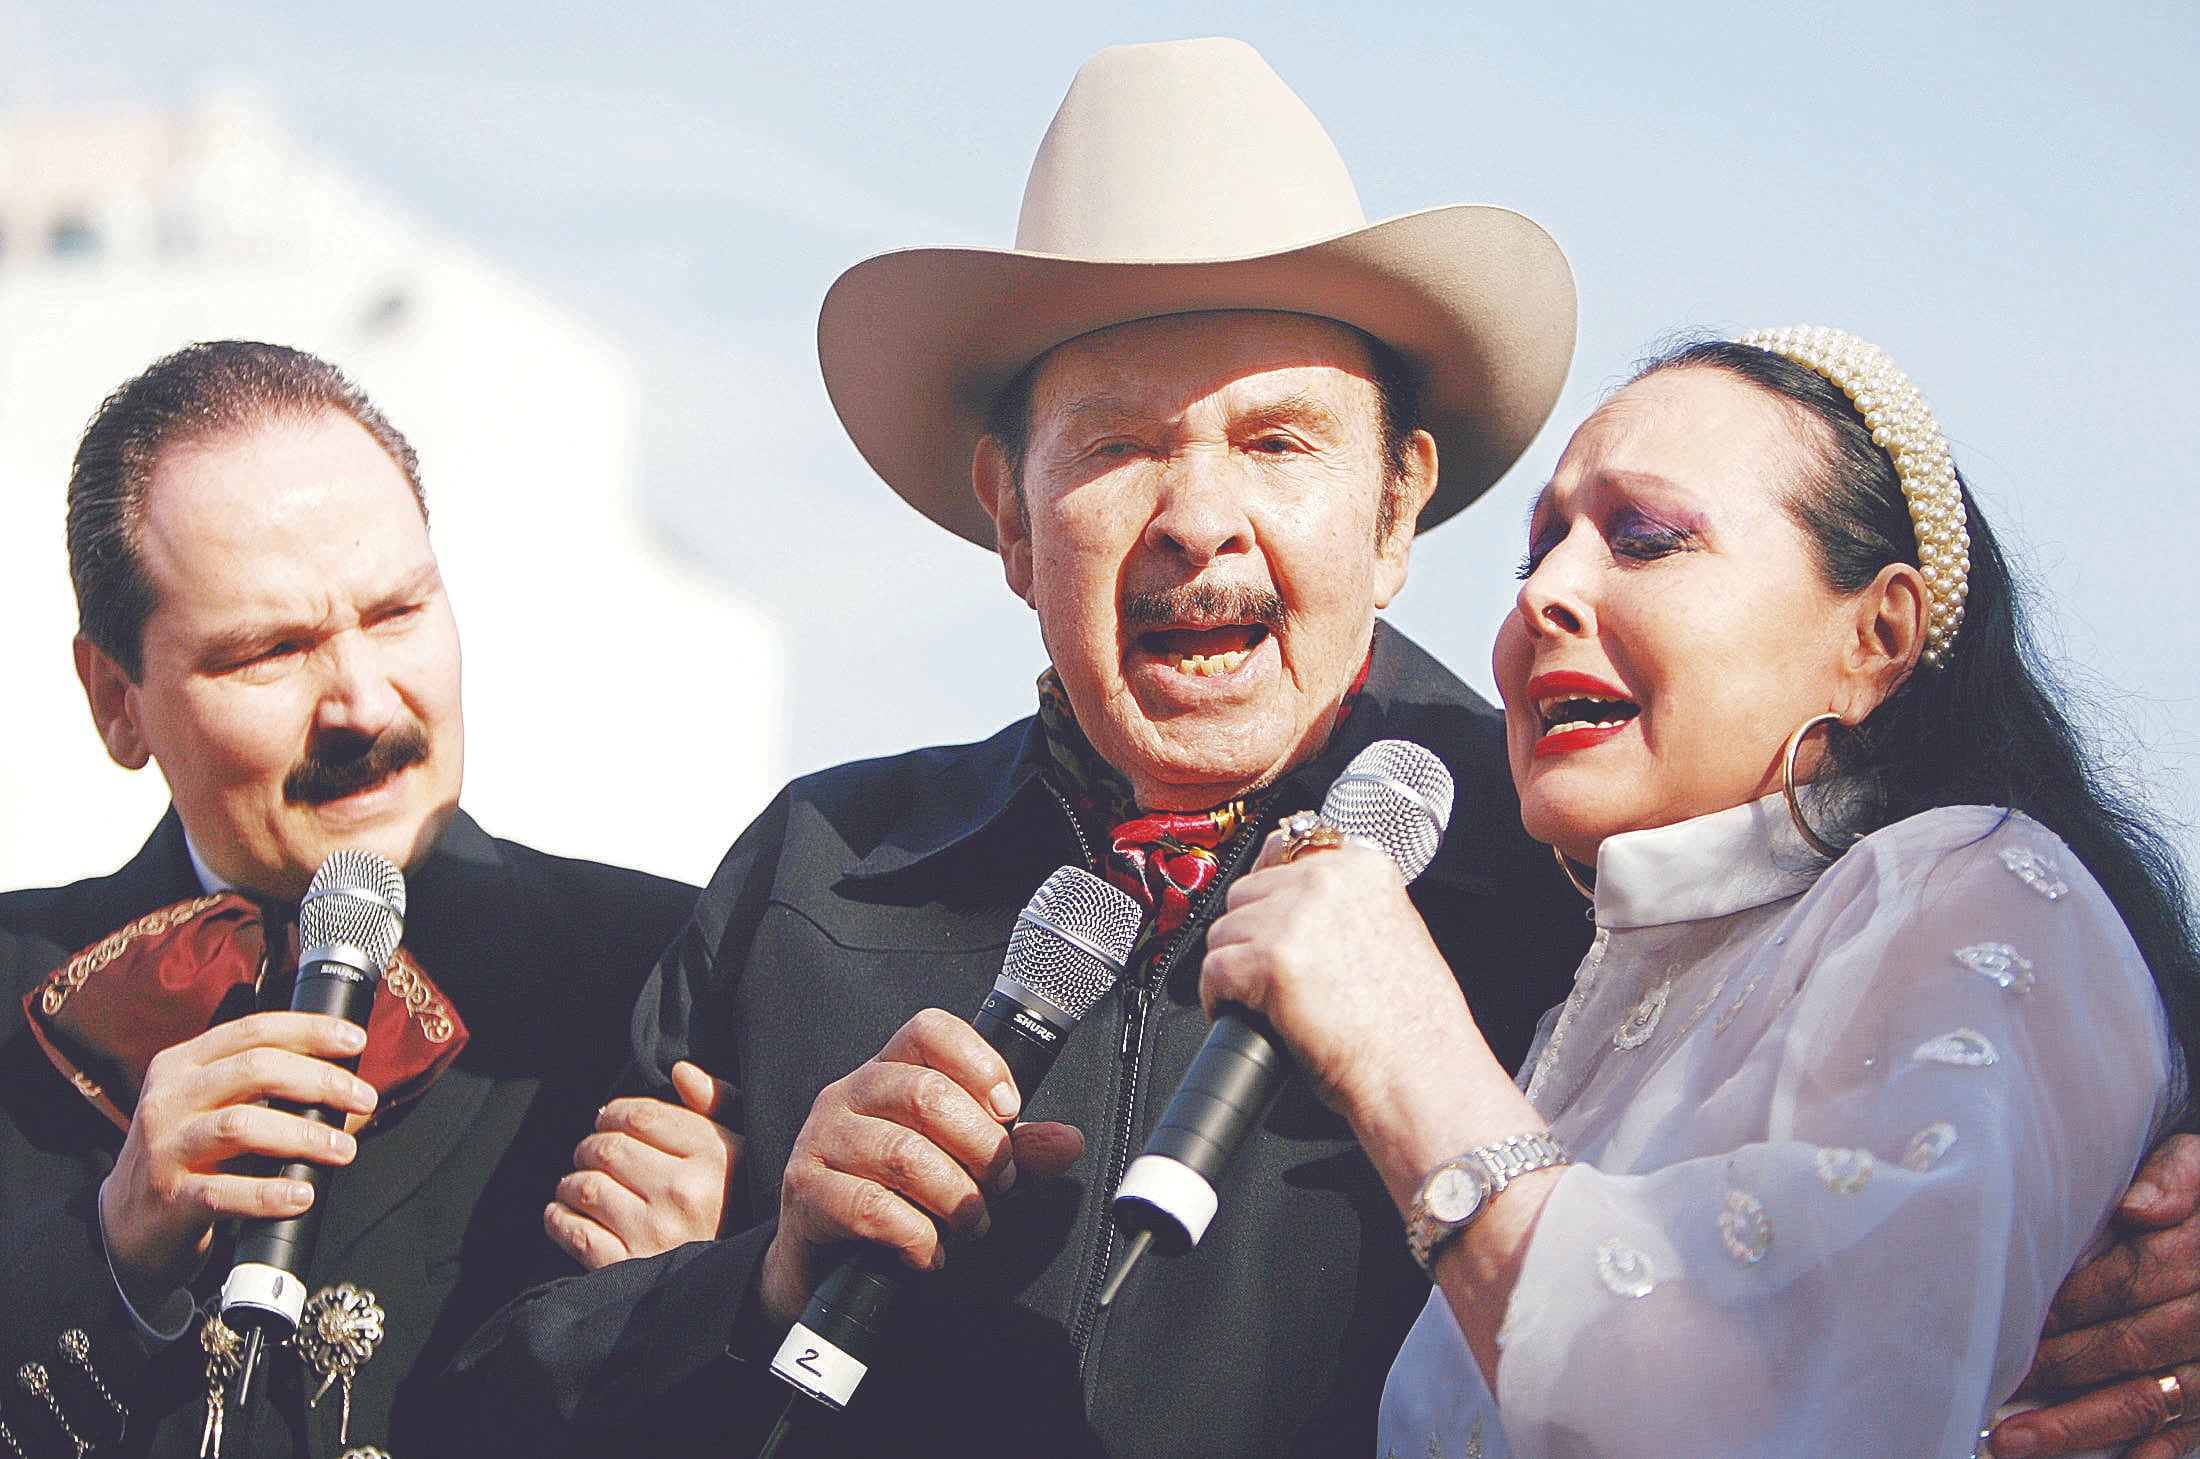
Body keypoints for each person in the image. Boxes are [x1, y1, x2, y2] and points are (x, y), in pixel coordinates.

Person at [448, 40, 2200, 1459]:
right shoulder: (817, 876)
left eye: (1278, 439)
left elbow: (1962, 1114)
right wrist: (749, 1277)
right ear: (1008, 510)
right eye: (1120, 444)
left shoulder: (1598, 877)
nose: (1200, 519)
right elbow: (487, 1396)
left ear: (1398, 503)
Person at [1196, 327, 2200, 1456]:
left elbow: (1774, 1412)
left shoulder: (1972, 884)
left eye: (1648, 538)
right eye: (1539, 554)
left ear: (1877, 635)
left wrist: (1397, 1049)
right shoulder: (1589, 990)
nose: (1550, 595)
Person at [0, 341, 704, 1458]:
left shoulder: (674, 969)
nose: (364, 704)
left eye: (395, 612)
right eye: (268, 652)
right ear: (115, 701)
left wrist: (714, 1312)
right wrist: (106, 1259)